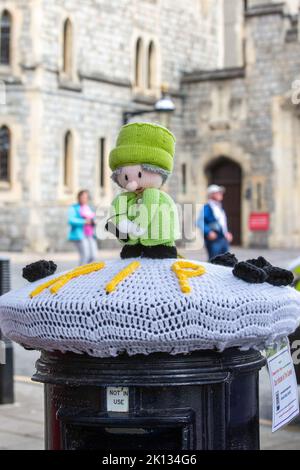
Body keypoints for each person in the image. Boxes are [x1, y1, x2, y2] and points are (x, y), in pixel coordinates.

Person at [197, 184, 233, 260]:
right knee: (214, 262)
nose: (221, 194)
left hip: (223, 239)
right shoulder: (207, 208)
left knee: (225, 262)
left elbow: (222, 224)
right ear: (212, 194)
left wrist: (227, 233)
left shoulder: (219, 207)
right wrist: (208, 232)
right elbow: (199, 222)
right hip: (214, 241)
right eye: (218, 192)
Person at [68, 190, 98, 265]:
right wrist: (84, 221)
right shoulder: (74, 208)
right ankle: (80, 273)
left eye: (86, 197)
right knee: (85, 256)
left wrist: (94, 221)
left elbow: (93, 218)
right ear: (78, 198)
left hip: (90, 234)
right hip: (80, 235)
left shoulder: (89, 207)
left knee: (93, 256)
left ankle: (89, 272)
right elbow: (71, 220)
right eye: (82, 197)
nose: (84, 199)